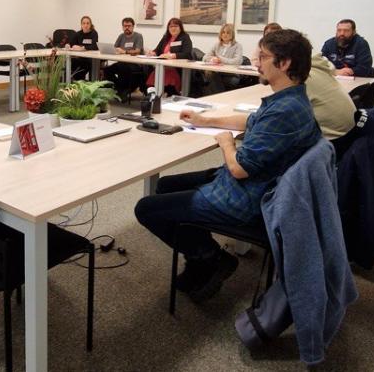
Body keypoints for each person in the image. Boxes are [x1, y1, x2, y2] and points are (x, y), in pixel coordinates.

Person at [135, 29, 322, 301]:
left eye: (264, 57)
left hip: (246, 197)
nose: (256, 61)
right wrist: (206, 121)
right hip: (260, 183)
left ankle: (209, 257)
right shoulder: (291, 99)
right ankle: (200, 249)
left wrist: (226, 143)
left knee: (146, 208)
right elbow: (253, 122)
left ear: (285, 63)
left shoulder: (284, 111)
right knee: (165, 185)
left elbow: (238, 169)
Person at [145, 17, 193, 96]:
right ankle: (156, 97)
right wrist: (152, 53)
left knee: (166, 76)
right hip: (163, 66)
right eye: (171, 26)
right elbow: (157, 50)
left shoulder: (185, 37)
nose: (173, 28)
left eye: (175, 26)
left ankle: (168, 94)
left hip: (176, 67)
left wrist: (172, 55)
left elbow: (187, 53)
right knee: (152, 76)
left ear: (180, 27)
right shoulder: (166, 37)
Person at [103, 17, 145, 102]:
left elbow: (137, 51)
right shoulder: (121, 36)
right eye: (125, 26)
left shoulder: (138, 36)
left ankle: (124, 90)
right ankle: (119, 89)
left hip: (135, 64)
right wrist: (115, 50)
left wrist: (125, 51)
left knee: (123, 68)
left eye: (129, 26)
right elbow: (115, 48)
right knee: (107, 70)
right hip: (122, 63)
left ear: (133, 26)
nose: (127, 28)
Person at [203, 23, 244, 93]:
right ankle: (220, 97)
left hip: (231, 73)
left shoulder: (237, 46)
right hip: (217, 72)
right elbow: (205, 58)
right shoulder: (217, 45)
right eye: (223, 32)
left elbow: (237, 61)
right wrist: (213, 59)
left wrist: (221, 59)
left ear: (232, 35)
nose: (225, 34)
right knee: (211, 75)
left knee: (212, 78)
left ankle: (218, 97)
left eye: (228, 33)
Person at [68, 15, 99, 80]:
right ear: (81, 25)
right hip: (79, 58)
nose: (86, 25)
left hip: (90, 58)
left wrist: (83, 48)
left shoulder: (94, 33)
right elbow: (71, 44)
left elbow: (95, 46)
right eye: (84, 23)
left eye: (88, 23)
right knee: (74, 64)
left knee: (82, 68)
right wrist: (67, 46)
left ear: (90, 24)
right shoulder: (78, 34)